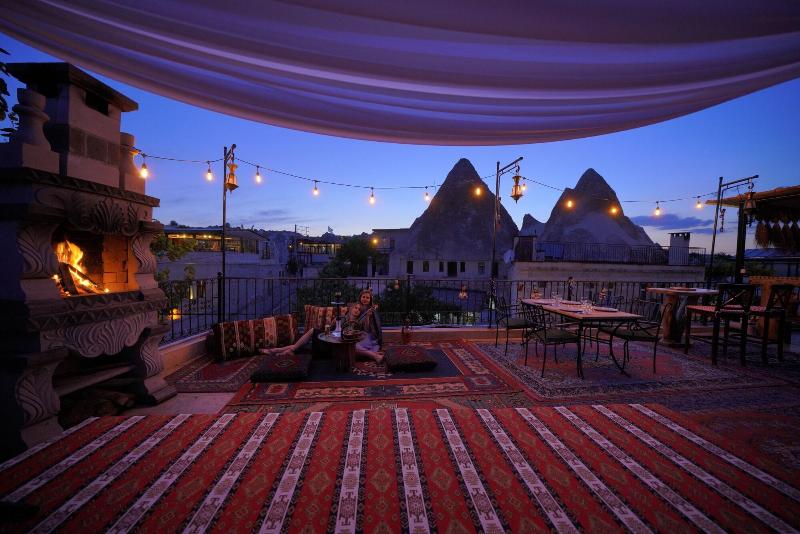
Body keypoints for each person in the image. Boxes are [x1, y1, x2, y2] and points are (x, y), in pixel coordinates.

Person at [347, 289, 383, 363]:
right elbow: (351, 320)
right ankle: (373, 354)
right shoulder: (357, 307)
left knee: (352, 347)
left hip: (367, 336)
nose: (365, 299)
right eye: (363, 297)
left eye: (367, 298)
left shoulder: (371, 311)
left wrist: (367, 317)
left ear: (370, 300)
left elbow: (367, 329)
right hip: (357, 335)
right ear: (360, 298)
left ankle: (374, 356)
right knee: (348, 347)